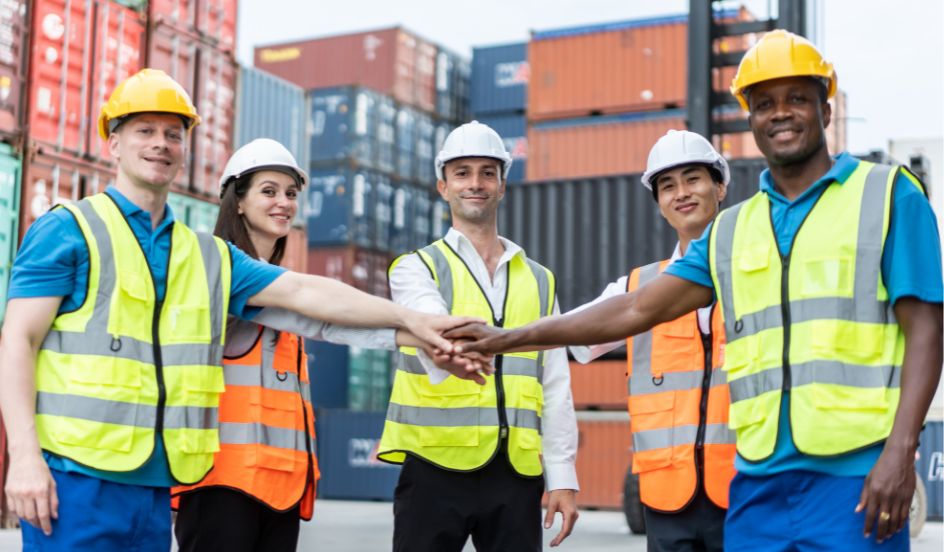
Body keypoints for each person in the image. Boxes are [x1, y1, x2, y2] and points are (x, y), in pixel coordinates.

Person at [446, 30, 943, 551]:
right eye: (765, 103)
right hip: (757, 481)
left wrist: (900, 450)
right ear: (749, 117)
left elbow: (927, 329)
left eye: (797, 97)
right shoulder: (734, 231)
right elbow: (637, 307)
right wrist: (505, 338)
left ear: (825, 104)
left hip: (856, 477)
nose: (781, 113)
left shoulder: (887, 195)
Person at [0, 69, 474, 551]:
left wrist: (413, 321)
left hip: (156, 483)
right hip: (76, 478)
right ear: (113, 144)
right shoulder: (68, 229)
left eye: (173, 133)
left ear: (185, 150)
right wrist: (23, 456)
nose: (160, 143)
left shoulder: (205, 255)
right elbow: (18, 341)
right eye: (144, 130)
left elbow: (306, 294)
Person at [377, 121, 579, 551]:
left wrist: (562, 475)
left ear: (503, 186)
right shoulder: (416, 268)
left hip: (516, 474)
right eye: (462, 172)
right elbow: (434, 326)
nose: (476, 183)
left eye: (488, 172)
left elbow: (555, 381)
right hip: (434, 466)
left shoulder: (540, 280)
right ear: (442, 186)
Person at [568, 130, 735, 551]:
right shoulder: (637, 287)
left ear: (720, 186)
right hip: (666, 503)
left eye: (693, 179)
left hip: (744, 493)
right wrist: (496, 337)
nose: (681, 193)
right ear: (659, 205)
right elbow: (571, 334)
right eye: (667, 185)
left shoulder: (759, 276)